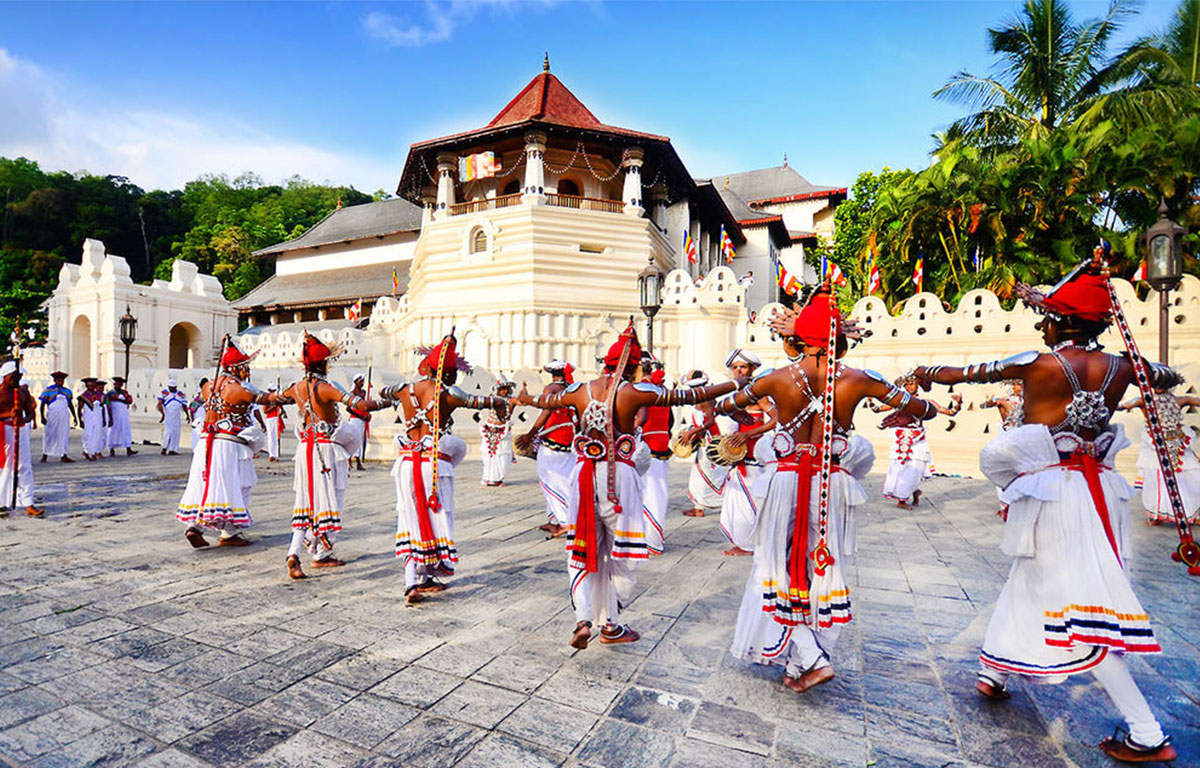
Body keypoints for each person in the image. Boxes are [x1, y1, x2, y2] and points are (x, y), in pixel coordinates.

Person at [914, 260, 1180, 763]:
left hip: (1057, 497)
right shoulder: (1123, 367)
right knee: (1028, 582)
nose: (1042, 324)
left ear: (1065, 323)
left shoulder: (1036, 363)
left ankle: (1147, 732)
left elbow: (959, 374)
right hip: (1099, 490)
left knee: (1081, 607)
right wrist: (1134, 363)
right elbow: (1168, 375)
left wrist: (921, 373)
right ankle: (996, 670)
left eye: (1049, 316)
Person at [722, 287, 936, 693]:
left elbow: (732, 403)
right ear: (840, 338)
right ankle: (799, 660)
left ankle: (812, 658)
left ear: (800, 338)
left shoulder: (776, 378)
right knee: (822, 566)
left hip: (786, 480)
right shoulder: (860, 379)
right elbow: (919, 408)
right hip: (833, 483)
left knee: (774, 567)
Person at [516, 322, 737, 649]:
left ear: (605, 362)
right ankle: (611, 624)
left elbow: (546, 402)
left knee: (582, 551)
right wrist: (737, 383)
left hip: (584, 476)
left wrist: (526, 397)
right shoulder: (636, 391)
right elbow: (693, 395)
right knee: (622, 554)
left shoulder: (580, 389)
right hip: (618, 479)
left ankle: (583, 618)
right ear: (634, 367)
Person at [256, 335, 395, 580]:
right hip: (326, 451)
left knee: (304, 502)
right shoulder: (328, 387)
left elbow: (272, 399)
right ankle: (321, 554)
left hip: (304, 450)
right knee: (331, 500)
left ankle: (294, 552)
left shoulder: (297, 387)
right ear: (323, 365)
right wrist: (390, 400)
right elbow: (361, 405)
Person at [391, 332, 508, 604]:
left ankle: (414, 581)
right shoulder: (450, 394)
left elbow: (378, 398)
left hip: (406, 463)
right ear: (449, 372)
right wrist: (501, 402)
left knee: (408, 518)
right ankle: (425, 573)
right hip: (434, 466)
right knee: (437, 518)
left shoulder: (404, 389)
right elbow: (481, 402)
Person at [175, 340, 264, 549]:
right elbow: (265, 399)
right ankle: (229, 531)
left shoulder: (208, 386)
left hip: (207, 443)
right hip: (229, 444)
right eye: (244, 366)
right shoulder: (237, 388)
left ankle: (194, 526)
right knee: (239, 484)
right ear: (236, 368)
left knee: (205, 485)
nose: (247, 370)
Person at [717, 349, 777, 557]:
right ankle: (743, 541)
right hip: (738, 454)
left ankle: (750, 544)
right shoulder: (734, 395)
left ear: (752, 369)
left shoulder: (759, 393)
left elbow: (775, 419)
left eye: (743, 367)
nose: (739, 371)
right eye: (735, 368)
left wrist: (749, 433)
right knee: (737, 499)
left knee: (751, 500)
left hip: (755, 454)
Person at [872, 373, 960, 509]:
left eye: (912, 383)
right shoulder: (898, 401)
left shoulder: (925, 403)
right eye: (906, 384)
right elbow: (877, 410)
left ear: (918, 385)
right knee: (900, 467)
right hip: (901, 439)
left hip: (917, 438)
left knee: (915, 468)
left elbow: (950, 412)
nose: (909, 387)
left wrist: (958, 404)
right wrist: (871, 400)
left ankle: (912, 491)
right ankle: (903, 499)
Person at [1119, 387, 1200, 525]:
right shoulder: (1144, 400)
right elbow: (1125, 405)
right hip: (1154, 440)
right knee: (1157, 479)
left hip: (1178, 440)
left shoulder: (1180, 399)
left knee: (1191, 475)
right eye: (1155, 384)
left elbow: (1196, 400)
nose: (1158, 388)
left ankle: (1192, 514)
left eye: (1163, 384)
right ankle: (1157, 515)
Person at [516, 360, 575, 538]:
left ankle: (565, 522)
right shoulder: (571, 388)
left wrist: (531, 433)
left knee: (550, 478)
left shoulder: (551, 388)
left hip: (553, 438)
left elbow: (546, 410)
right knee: (563, 476)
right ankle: (554, 520)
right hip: (568, 437)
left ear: (551, 373)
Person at [677, 371, 732, 517]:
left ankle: (726, 502)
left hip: (710, 441)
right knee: (699, 475)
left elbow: (710, 422)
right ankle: (698, 507)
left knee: (713, 475)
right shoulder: (699, 399)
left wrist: (692, 432)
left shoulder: (707, 399)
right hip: (703, 440)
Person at [637, 359, 672, 555]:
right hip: (661, 446)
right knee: (658, 494)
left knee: (647, 494)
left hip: (646, 449)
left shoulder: (641, 390)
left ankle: (651, 540)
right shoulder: (663, 390)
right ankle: (654, 536)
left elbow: (640, 418)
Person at [0, 362, 43, 517]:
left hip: (20, 430)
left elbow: (30, 413)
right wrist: (9, 415)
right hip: (4, 431)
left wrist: (23, 420)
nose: (18, 379)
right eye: (14, 376)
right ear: (6, 376)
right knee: (5, 467)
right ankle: (2, 502)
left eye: (20, 376)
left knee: (24, 465)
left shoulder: (23, 393)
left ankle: (28, 503)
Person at [982, 381, 1026, 519]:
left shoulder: (1030, 401)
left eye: (1022, 385)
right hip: (1007, 440)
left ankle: (1019, 503)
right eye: (1018, 385)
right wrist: (993, 401)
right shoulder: (1004, 400)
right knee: (1004, 472)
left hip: (1023, 441)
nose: (1020, 388)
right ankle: (1004, 506)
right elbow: (983, 405)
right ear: (1012, 387)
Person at [480, 379, 516, 487]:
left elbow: (521, 401)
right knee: (489, 456)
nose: (504, 391)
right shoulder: (492, 399)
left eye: (506, 389)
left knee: (504, 456)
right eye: (502, 389)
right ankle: (488, 478)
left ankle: (499, 478)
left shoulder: (511, 401)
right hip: (489, 430)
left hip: (503, 431)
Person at [38, 371, 75, 463]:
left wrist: (75, 416)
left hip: (64, 416)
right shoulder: (48, 390)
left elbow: (70, 404)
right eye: (59, 380)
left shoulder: (68, 391)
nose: (60, 382)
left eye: (62, 380)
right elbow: (42, 404)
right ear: (55, 380)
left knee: (64, 434)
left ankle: (64, 454)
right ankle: (45, 454)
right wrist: (42, 416)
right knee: (49, 434)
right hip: (52, 415)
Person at [341, 373, 369, 471]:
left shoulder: (364, 393)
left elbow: (365, 405)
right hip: (355, 419)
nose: (362, 383)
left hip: (362, 420)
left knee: (360, 440)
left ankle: (357, 462)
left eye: (363, 382)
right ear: (355, 382)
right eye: (361, 381)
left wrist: (367, 414)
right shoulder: (352, 394)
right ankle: (352, 461)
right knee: (354, 439)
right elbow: (348, 409)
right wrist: (360, 416)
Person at [105, 377, 136, 457]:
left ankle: (128, 448)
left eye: (120, 384)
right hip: (114, 414)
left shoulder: (124, 393)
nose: (118, 385)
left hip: (124, 414)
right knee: (113, 430)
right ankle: (112, 449)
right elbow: (107, 403)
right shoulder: (110, 393)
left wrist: (118, 400)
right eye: (116, 384)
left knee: (126, 429)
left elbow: (129, 400)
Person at [77, 379, 107, 461]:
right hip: (88, 418)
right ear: (86, 386)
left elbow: (102, 408)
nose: (90, 387)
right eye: (89, 386)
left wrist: (104, 419)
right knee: (88, 435)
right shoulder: (83, 396)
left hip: (98, 418)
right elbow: (79, 409)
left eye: (92, 385)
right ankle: (87, 451)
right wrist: (80, 420)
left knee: (97, 435)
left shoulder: (100, 396)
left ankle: (94, 452)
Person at [157, 378, 189, 455]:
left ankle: (173, 449)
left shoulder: (180, 394)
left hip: (176, 417)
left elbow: (184, 405)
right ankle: (164, 448)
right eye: (170, 387)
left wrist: (187, 415)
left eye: (173, 387)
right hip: (168, 416)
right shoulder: (164, 392)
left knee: (176, 432)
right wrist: (163, 414)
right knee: (168, 432)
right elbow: (159, 404)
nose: (172, 389)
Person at [261, 386, 286, 462]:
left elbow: (281, 407)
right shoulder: (267, 398)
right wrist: (273, 406)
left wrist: (283, 412)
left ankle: (275, 454)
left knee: (276, 437)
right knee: (271, 437)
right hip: (271, 418)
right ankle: (272, 454)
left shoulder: (277, 398)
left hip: (277, 418)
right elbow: (265, 411)